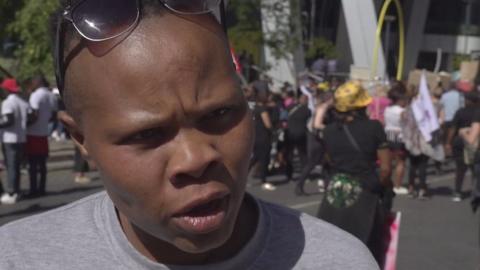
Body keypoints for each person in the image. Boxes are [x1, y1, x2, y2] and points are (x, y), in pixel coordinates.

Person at [0, 2, 378, 269]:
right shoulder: (17, 258)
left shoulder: (340, 260)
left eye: (220, 114)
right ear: (81, 140)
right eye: (147, 134)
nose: (196, 159)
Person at [318, 81, 392, 266]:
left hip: (334, 195)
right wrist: (381, 186)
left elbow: (328, 160)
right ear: (361, 105)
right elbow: (385, 169)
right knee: (364, 249)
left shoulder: (328, 131)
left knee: (329, 247)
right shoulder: (374, 127)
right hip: (365, 193)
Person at [295, 90, 334, 196]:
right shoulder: (323, 107)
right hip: (315, 139)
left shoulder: (323, 107)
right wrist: (331, 128)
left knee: (325, 163)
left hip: (317, 138)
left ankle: (327, 186)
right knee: (312, 163)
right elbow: (317, 124)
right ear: (330, 99)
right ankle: (299, 186)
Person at [0, 78, 31, 204]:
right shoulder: (22, 102)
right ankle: (17, 191)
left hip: (9, 138)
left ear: (7, 89)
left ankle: (12, 192)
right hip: (21, 137)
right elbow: (31, 117)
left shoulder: (8, 102)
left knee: (11, 166)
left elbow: (8, 120)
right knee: (17, 166)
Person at [26, 75, 58, 196]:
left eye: (32, 82)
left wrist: (25, 124)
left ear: (37, 82)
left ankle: (33, 190)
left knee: (33, 165)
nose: (31, 85)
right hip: (44, 133)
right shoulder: (51, 96)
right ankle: (42, 188)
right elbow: (54, 115)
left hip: (33, 133)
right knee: (42, 164)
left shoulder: (36, 95)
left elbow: (34, 114)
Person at [446, 92, 479, 202]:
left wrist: (448, 142)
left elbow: (453, 128)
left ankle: (457, 192)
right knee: (475, 169)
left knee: (460, 169)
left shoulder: (460, 112)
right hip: (476, 143)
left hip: (460, 142)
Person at [384, 82, 409, 195]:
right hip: (399, 136)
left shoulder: (387, 109)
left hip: (388, 135)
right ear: (399, 99)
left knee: (388, 162)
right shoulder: (402, 111)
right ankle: (397, 186)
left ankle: (386, 183)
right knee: (400, 162)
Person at [250, 90, 276, 191]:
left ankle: (244, 173)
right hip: (264, 137)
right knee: (264, 158)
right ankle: (264, 180)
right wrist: (273, 131)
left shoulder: (254, 109)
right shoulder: (262, 109)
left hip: (256, 136)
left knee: (255, 157)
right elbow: (268, 124)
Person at [285, 94, 311, 181]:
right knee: (303, 155)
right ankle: (305, 175)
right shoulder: (307, 111)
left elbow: (285, 114)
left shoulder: (291, 107)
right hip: (301, 134)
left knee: (290, 155)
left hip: (289, 133)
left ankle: (289, 175)